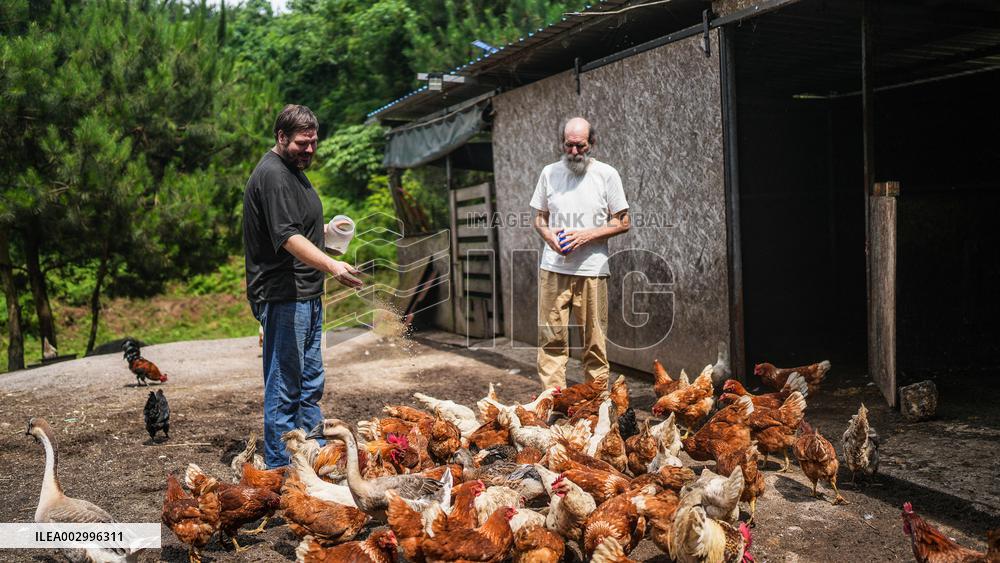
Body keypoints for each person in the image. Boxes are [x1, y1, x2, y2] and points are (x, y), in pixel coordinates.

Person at [243, 104, 363, 468]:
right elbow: (286, 238)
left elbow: (299, 230)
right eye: (301, 143)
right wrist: (331, 265)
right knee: (284, 387)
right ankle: (282, 470)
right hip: (283, 295)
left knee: (310, 383)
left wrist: (328, 233)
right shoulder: (273, 175)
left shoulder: (295, 172)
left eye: (313, 142)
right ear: (281, 137)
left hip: (306, 293)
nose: (309, 150)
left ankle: (313, 458)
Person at [529, 117, 630, 390]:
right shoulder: (549, 173)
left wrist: (586, 235)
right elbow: (539, 218)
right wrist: (549, 237)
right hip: (553, 268)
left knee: (594, 342)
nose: (574, 152)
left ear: (592, 143)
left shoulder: (607, 174)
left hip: (592, 270)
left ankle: (594, 404)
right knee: (551, 340)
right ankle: (552, 402)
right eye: (568, 145)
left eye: (580, 146)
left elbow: (623, 221)